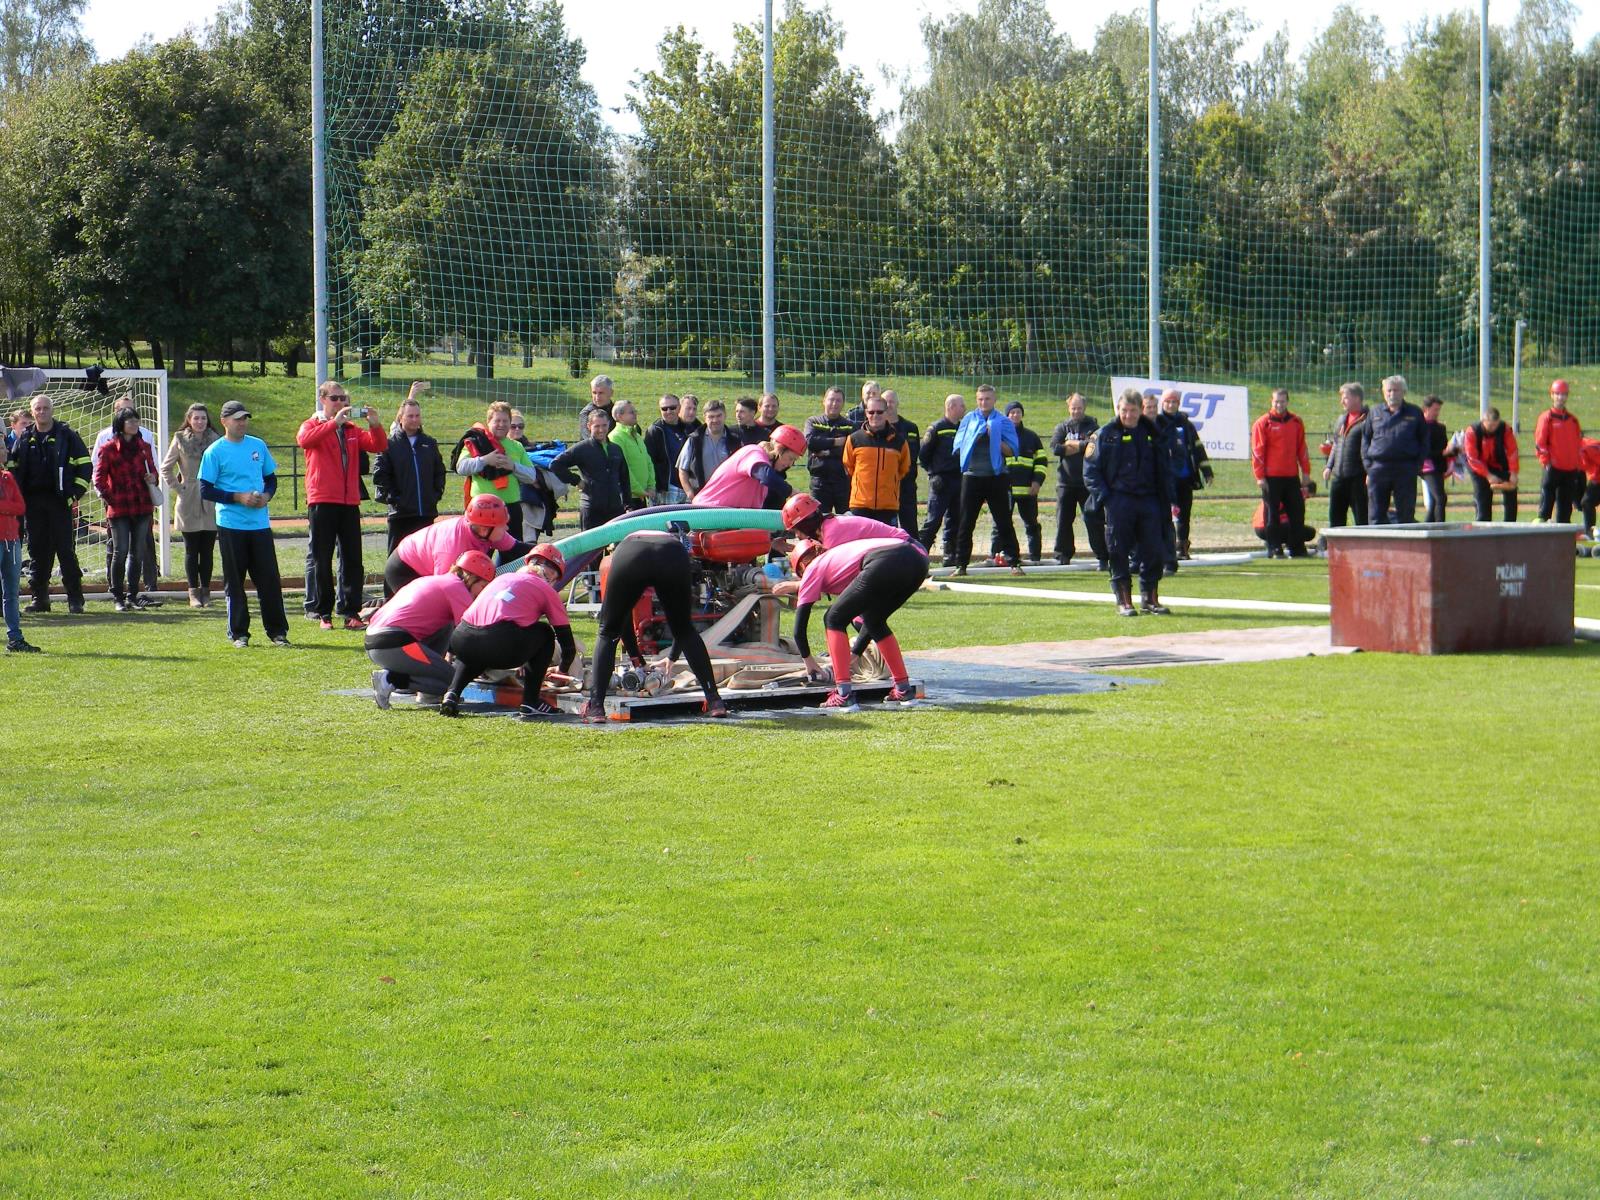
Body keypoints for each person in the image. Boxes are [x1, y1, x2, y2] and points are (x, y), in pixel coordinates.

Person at [580, 530, 731, 724]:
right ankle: (714, 701)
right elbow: (681, 628)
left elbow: (618, 623)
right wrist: (667, 657)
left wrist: (637, 656)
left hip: (631, 552)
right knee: (685, 629)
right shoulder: (674, 545)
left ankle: (596, 706)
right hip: (671, 553)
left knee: (607, 631)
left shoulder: (618, 555)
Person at [774, 535, 926, 711]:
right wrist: (855, 652)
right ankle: (903, 690)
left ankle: (844, 694)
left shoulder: (813, 569)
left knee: (833, 618)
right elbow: (865, 622)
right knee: (875, 620)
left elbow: (799, 629)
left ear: (801, 566)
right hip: (918, 560)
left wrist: (809, 663)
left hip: (887, 557)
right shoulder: (840, 561)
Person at [441, 543, 577, 720]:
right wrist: (563, 669)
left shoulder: (501, 579)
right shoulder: (545, 589)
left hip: (461, 637)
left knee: (479, 648)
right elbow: (567, 643)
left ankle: (452, 693)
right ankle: (531, 701)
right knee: (545, 633)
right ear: (551, 573)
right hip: (499, 641)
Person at [198, 400, 290, 648]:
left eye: (245, 418)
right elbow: (205, 489)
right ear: (224, 421)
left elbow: (270, 479)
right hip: (231, 524)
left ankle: (277, 632)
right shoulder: (214, 451)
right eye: (237, 419)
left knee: (269, 579)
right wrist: (237, 497)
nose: (242, 423)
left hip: (259, 524)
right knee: (235, 581)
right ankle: (239, 634)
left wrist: (267, 496)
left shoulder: (257, 445)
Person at [298, 381, 387, 630]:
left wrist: (375, 423)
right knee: (322, 558)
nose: (340, 403)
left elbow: (378, 445)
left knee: (352, 559)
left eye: (343, 398)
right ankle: (323, 612)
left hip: (349, 502)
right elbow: (304, 441)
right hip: (322, 500)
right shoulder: (312, 424)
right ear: (323, 399)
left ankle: (349, 611)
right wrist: (333, 423)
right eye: (335, 398)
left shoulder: (351, 429)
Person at [1084, 388, 1175, 616]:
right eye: (1124, 410)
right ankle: (1123, 600)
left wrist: (1167, 496)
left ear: (1140, 410)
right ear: (1118, 409)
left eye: (1133, 411)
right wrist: (1106, 498)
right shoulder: (1104, 434)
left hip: (1149, 500)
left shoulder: (1154, 433)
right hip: (1119, 500)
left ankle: (1150, 598)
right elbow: (1090, 471)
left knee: (1153, 550)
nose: (1128, 415)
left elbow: (1165, 467)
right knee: (1118, 549)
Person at [366, 550, 494, 709]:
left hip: (379, 640)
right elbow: (473, 634)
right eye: (483, 586)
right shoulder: (457, 589)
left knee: (445, 625)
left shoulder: (440, 581)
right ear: (471, 578)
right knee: (454, 684)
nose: (483, 592)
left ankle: (426, 692)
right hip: (394, 644)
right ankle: (391, 679)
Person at [9, 394, 91, 613]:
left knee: (65, 550)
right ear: (32, 411)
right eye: (38, 408)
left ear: (52, 410)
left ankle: (75, 598)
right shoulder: (25, 438)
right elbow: (13, 468)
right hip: (33, 504)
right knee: (37, 551)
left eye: (46, 408)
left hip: (59, 502)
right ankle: (40, 598)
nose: (42, 412)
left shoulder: (67, 436)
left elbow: (85, 466)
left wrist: (74, 495)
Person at [384, 493, 529, 595]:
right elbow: (444, 588)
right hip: (405, 570)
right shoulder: (452, 545)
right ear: (485, 529)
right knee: (435, 612)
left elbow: (517, 549)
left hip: (427, 568)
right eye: (502, 525)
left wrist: (548, 548)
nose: (507, 528)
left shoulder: (488, 531)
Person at [372, 383, 446, 572]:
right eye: (410, 416)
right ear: (401, 418)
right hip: (401, 514)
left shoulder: (429, 443)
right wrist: (395, 499)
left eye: (417, 416)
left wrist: (434, 495)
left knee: (424, 559)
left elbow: (439, 472)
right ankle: (392, 597)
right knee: (397, 561)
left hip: (425, 513)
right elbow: (380, 474)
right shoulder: (389, 443)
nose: (414, 420)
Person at [92, 408, 159, 612]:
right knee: (120, 551)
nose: (133, 423)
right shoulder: (108, 448)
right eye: (129, 420)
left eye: (135, 420)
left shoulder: (144, 447)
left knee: (138, 552)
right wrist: (111, 499)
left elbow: (153, 470)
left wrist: (152, 478)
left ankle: (133, 595)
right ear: (120, 424)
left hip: (142, 505)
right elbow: (99, 478)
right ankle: (118, 596)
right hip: (119, 506)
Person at [951, 384, 1022, 576]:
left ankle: (1014, 563)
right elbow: (959, 447)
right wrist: (974, 437)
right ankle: (961, 565)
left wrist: (994, 438)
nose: (984, 402)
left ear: (994, 400)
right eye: (980, 399)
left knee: (1004, 521)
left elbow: (1012, 451)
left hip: (996, 477)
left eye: (987, 399)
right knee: (966, 522)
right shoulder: (968, 419)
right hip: (972, 477)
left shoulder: (1003, 422)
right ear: (976, 399)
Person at [160, 402, 221, 606]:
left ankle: (206, 591)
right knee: (191, 549)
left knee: (208, 549)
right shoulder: (179, 439)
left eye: (203, 418)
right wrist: (180, 488)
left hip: (211, 498)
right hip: (188, 498)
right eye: (196, 418)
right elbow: (166, 468)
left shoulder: (216, 440)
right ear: (189, 419)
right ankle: (193, 592)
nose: (200, 421)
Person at [453, 400, 539, 542]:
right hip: (481, 510)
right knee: (480, 553)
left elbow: (531, 476)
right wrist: (485, 460)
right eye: (497, 420)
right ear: (489, 422)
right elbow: (461, 467)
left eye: (505, 421)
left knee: (512, 557)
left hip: (510, 509)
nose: (501, 424)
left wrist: (513, 466)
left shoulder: (516, 446)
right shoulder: (476, 441)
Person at [1252, 388, 1312, 558]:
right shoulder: (1263, 423)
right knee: (1272, 514)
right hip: (1271, 478)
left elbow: (1302, 448)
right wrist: (1260, 476)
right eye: (1276, 401)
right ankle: (1274, 548)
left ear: (1288, 401)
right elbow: (1257, 452)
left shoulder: (1296, 422)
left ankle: (1297, 547)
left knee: (1297, 512)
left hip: (1291, 476)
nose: (1279, 404)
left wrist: (1305, 472)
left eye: (1282, 401)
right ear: (1271, 402)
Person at [1359, 374, 1427, 524]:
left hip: (1405, 468)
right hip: (1379, 468)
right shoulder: (1375, 412)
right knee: (1376, 513)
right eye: (1389, 390)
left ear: (1404, 392)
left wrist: (1417, 465)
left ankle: (1406, 546)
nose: (1392, 394)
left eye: (1396, 390)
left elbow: (1424, 440)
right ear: (1384, 392)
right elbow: (1365, 439)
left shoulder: (1414, 412)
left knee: (1406, 513)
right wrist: (1368, 466)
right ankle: (1377, 545)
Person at [1049, 393, 1107, 568]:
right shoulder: (1062, 427)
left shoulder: (1093, 425)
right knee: (1063, 520)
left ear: (1084, 408)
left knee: (1094, 520)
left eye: (1079, 408)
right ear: (1068, 408)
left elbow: (1092, 446)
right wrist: (1080, 446)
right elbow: (1056, 448)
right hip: (1065, 482)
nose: (1076, 411)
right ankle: (1062, 554)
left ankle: (1103, 556)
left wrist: (1072, 445)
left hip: (1087, 482)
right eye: (1073, 408)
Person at [551, 407, 630, 530]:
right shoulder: (582, 448)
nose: (601, 430)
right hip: (592, 508)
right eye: (597, 426)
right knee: (592, 549)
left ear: (609, 424)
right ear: (589, 426)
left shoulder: (616, 449)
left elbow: (625, 478)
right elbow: (556, 465)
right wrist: (576, 480)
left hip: (615, 508)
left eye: (604, 425)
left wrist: (627, 504)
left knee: (619, 547)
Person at [691, 425, 804, 509]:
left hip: (729, 518)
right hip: (708, 512)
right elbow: (766, 476)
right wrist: (792, 492)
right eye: (790, 458)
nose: (790, 464)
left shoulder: (766, 470)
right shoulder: (754, 452)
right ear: (779, 449)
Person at [1157, 389, 1212, 559]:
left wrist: (1207, 471)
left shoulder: (1186, 424)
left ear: (1178, 404)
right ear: (1162, 404)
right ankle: (1166, 547)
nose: (1171, 405)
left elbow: (1198, 448)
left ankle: (1182, 547)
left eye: (1174, 402)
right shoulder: (1157, 424)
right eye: (1167, 402)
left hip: (1185, 478)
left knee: (1184, 515)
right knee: (1166, 514)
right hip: (1166, 479)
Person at [843, 392, 910, 525]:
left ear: (886, 413)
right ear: (866, 413)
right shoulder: (854, 439)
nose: (875, 416)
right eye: (871, 412)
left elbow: (904, 469)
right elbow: (848, 467)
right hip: (860, 505)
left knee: (887, 545)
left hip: (888, 507)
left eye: (879, 412)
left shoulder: (899, 442)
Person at [992, 401, 1048, 563]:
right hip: (1005, 490)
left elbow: (1041, 461)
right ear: (1007, 415)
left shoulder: (1032, 437)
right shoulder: (999, 436)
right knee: (1000, 525)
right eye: (1012, 412)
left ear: (1022, 414)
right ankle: (994, 556)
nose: (1015, 415)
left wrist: (1037, 482)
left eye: (1018, 412)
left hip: (1027, 490)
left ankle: (1035, 557)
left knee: (1032, 525)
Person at [0, 439, 38, 651]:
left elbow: (20, 506)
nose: (5, 452)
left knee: (11, 593)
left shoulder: (8, 477)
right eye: (1, 448)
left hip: (11, 541)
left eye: (5, 448)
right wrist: (8, 507)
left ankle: (15, 637)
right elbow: (12, 506)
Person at [918, 393, 965, 564]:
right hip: (941, 481)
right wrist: (932, 474)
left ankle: (949, 555)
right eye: (961, 405)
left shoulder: (963, 428)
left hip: (958, 480)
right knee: (933, 519)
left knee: (955, 518)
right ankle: (921, 554)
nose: (964, 409)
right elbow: (923, 455)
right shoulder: (937, 428)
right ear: (951, 407)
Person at [1535, 379, 1584, 524]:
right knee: (1546, 503)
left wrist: (1577, 464)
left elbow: (1577, 443)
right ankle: (1539, 529)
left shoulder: (1573, 420)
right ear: (1552, 395)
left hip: (1570, 468)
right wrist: (1546, 462)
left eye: (1563, 394)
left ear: (1567, 396)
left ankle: (1562, 536)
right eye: (1557, 394)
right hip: (1553, 467)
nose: (1560, 397)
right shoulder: (1547, 418)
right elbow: (1540, 442)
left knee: (1565, 508)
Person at [1322, 382, 1370, 529]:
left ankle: (1364, 548)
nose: (1342, 401)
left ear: (1357, 398)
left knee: (1361, 516)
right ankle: (1336, 550)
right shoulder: (1341, 419)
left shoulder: (1368, 420)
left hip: (1358, 477)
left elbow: (1371, 448)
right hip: (1339, 476)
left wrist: (1369, 472)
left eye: (1345, 397)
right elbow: (1336, 444)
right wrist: (1329, 466)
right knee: (1335, 516)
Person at [802, 386, 855, 515]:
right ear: (824, 401)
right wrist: (836, 442)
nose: (834, 404)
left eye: (838, 400)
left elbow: (850, 449)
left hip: (842, 481)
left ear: (843, 403)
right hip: (819, 481)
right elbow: (811, 442)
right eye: (831, 399)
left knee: (846, 520)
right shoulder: (813, 421)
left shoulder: (850, 425)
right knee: (818, 521)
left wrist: (827, 451)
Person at [676, 399, 740, 500]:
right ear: (705, 418)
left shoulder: (735, 441)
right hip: (701, 496)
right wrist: (689, 492)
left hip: (728, 496)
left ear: (725, 416)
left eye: (719, 416)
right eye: (711, 417)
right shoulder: (694, 440)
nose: (715, 420)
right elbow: (682, 469)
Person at [1463, 407, 1519, 523]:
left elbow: (1512, 451)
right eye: (1490, 425)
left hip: (1498, 464)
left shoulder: (1505, 429)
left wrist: (1513, 472)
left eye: (1495, 425)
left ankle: (1511, 524)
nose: (1493, 429)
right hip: (1478, 467)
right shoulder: (1472, 432)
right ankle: (1482, 523)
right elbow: (1472, 458)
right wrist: (1488, 475)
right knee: (1483, 494)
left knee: (1511, 491)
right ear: (1483, 421)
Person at [882, 390, 920, 533]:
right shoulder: (878, 429)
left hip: (907, 486)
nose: (889, 405)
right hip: (886, 487)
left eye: (892, 401)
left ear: (898, 403)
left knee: (910, 527)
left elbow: (917, 454)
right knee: (887, 529)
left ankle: (915, 554)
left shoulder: (910, 428)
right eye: (885, 402)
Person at [607, 400, 654, 511]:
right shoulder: (615, 437)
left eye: (635, 411)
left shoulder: (636, 435)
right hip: (628, 498)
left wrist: (651, 485)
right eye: (631, 412)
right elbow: (624, 468)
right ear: (619, 416)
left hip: (642, 496)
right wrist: (639, 490)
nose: (635, 414)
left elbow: (648, 460)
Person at [644, 393, 690, 503]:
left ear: (679, 407)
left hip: (687, 486)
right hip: (666, 489)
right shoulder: (655, 430)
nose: (668, 411)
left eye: (672, 408)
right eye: (664, 408)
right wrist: (659, 485)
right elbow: (649, 461)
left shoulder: (688, 427)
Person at [1420, 395, 1450, 522]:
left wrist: (1453, 450)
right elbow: (1423, 451)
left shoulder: (1440, 427)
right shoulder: (1420, 427)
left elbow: (1444, 446)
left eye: (1439, 410)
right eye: (1435, 409)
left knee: (1434, 500)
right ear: (1426, 409)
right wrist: (1443, 452)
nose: (1437, 413)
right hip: (1427, 467)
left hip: (1438, 466)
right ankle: (1439, 527)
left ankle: (1429, 526)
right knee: (1440, 498)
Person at [576, 374, 615, 442]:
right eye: (594, 393)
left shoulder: (617, 410)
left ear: (611, 393)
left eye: (601, 393)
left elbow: (635, 431)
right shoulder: (586, 413)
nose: (597, 397)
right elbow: (588, 439)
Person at [1579, 434, 1600, 537]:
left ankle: (1589, 533)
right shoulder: (1589, 441)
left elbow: (1582, 466)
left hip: (1598, 476)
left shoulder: (1580, 447)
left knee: (1587, 502)